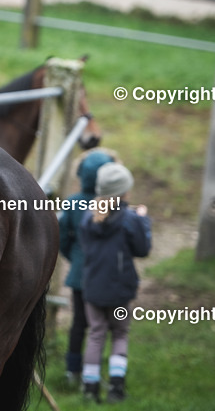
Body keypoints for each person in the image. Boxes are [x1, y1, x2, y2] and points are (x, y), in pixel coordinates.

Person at [79, 161, 152, 403]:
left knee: (96, 333)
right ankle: (116, 389)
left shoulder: (88, 217)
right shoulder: (130, 219)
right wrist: (143, 220)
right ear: (124, 192)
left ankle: (90, 388)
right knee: (120, 332)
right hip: (120, 290)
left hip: (92, 288)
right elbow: (142, 250)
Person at [59, 149, 116, 388]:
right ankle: (95, 373)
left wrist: (74, 257)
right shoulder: (114, 205)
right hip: (107, 276)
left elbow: (63, 238)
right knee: (101, 326)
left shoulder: (72, 203)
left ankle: (72, 370)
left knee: (79, 324)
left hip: (80, 275)